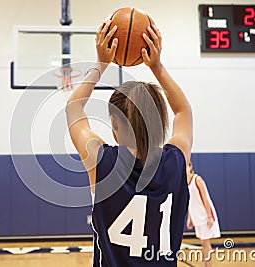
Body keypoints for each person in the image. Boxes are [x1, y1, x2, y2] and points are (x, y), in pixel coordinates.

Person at [66, 20, 193, 266]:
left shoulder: (102, 162)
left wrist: (101, 64)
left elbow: (73, 109)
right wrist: (156, 66)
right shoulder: (176, 161)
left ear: (115, 124)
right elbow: (183, 112)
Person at [186, 162, 220, 267]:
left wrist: (209, 216)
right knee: (203, 243)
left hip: (205, 216)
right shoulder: (186, 183)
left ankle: (208, 265)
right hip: (197, 218)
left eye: (186, 166)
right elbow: (190, 203)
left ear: (190, 166)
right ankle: (206, 264)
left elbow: (206, 199)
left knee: (205, 243)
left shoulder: (197, 180)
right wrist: (190, 219)